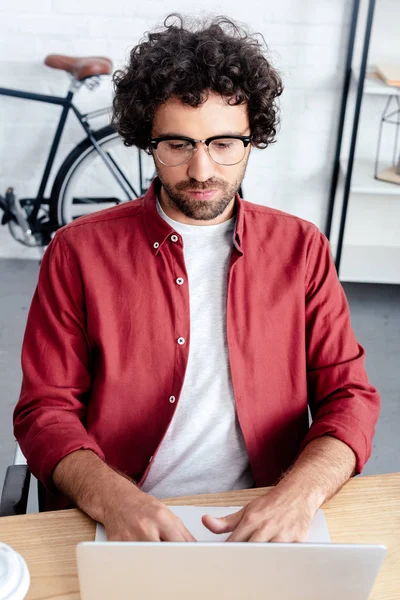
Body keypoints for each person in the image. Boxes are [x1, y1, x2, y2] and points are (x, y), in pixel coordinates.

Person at [14, 15, 380, 543]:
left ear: (253, 139)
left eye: (225, 143)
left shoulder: (302, 248)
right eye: (178, 144)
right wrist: (114, 499)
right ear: (148, 140)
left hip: (265, 514)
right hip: (120, 517)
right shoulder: (78, 252)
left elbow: (349, 397)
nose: (203, 169)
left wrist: (298, 496)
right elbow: (45, 410)